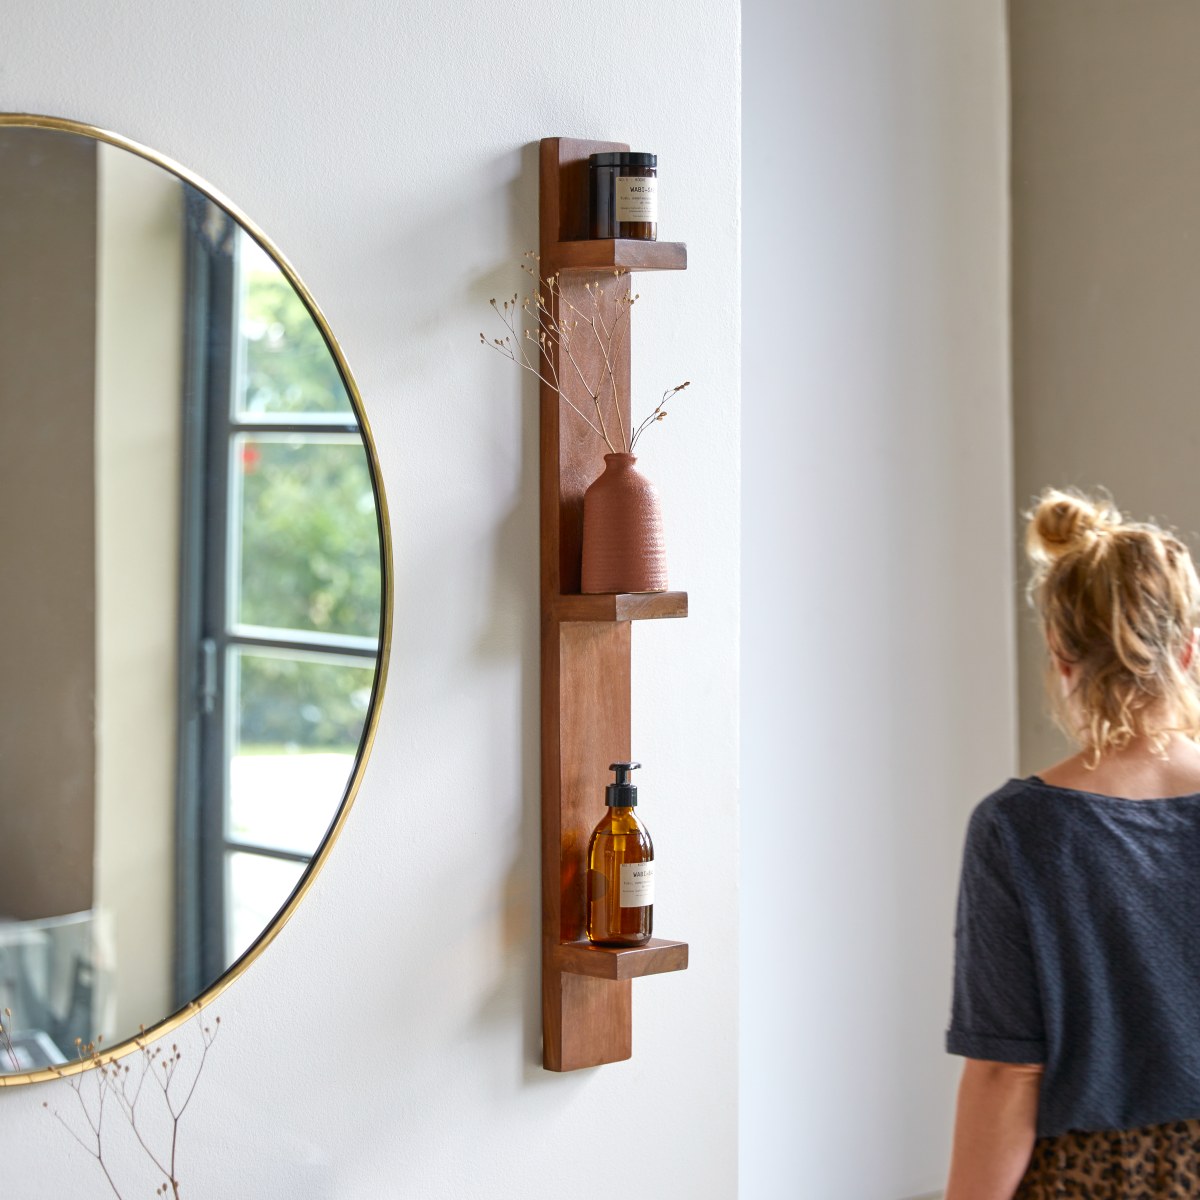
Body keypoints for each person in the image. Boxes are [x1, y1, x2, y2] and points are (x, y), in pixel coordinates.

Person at [944, 487, 1200, 1199]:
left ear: (1060, 656)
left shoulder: (1019, 829)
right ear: (1189, 648)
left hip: (1094, 1180)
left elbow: (1007, 1070)